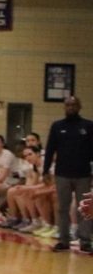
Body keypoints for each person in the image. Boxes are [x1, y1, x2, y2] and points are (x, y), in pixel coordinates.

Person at [42, 96, 93, 253]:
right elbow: (50, 149)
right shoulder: (57, 126)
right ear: (64, 107)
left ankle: (85, 240)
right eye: (68, 105)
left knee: (84, 208)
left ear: (79, 106)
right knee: (62, 208)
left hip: (83, 174)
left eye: (74, 104)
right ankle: (63, 240)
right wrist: (45, 170)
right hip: (62, 173)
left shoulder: (88, 126)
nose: (70, 107)